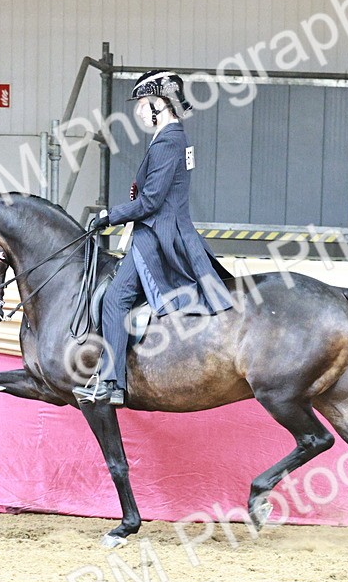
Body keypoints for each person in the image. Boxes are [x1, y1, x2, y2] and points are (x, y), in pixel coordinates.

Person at [74, 70, 234, 407]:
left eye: (142, 103)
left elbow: (151, 202)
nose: (138, 111)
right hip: (160, 228)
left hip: (157, 235)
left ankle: (111, 384)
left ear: (159, 104)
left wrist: (109, 216)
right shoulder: (172, 138)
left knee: (115, 298)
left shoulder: (168, 141)